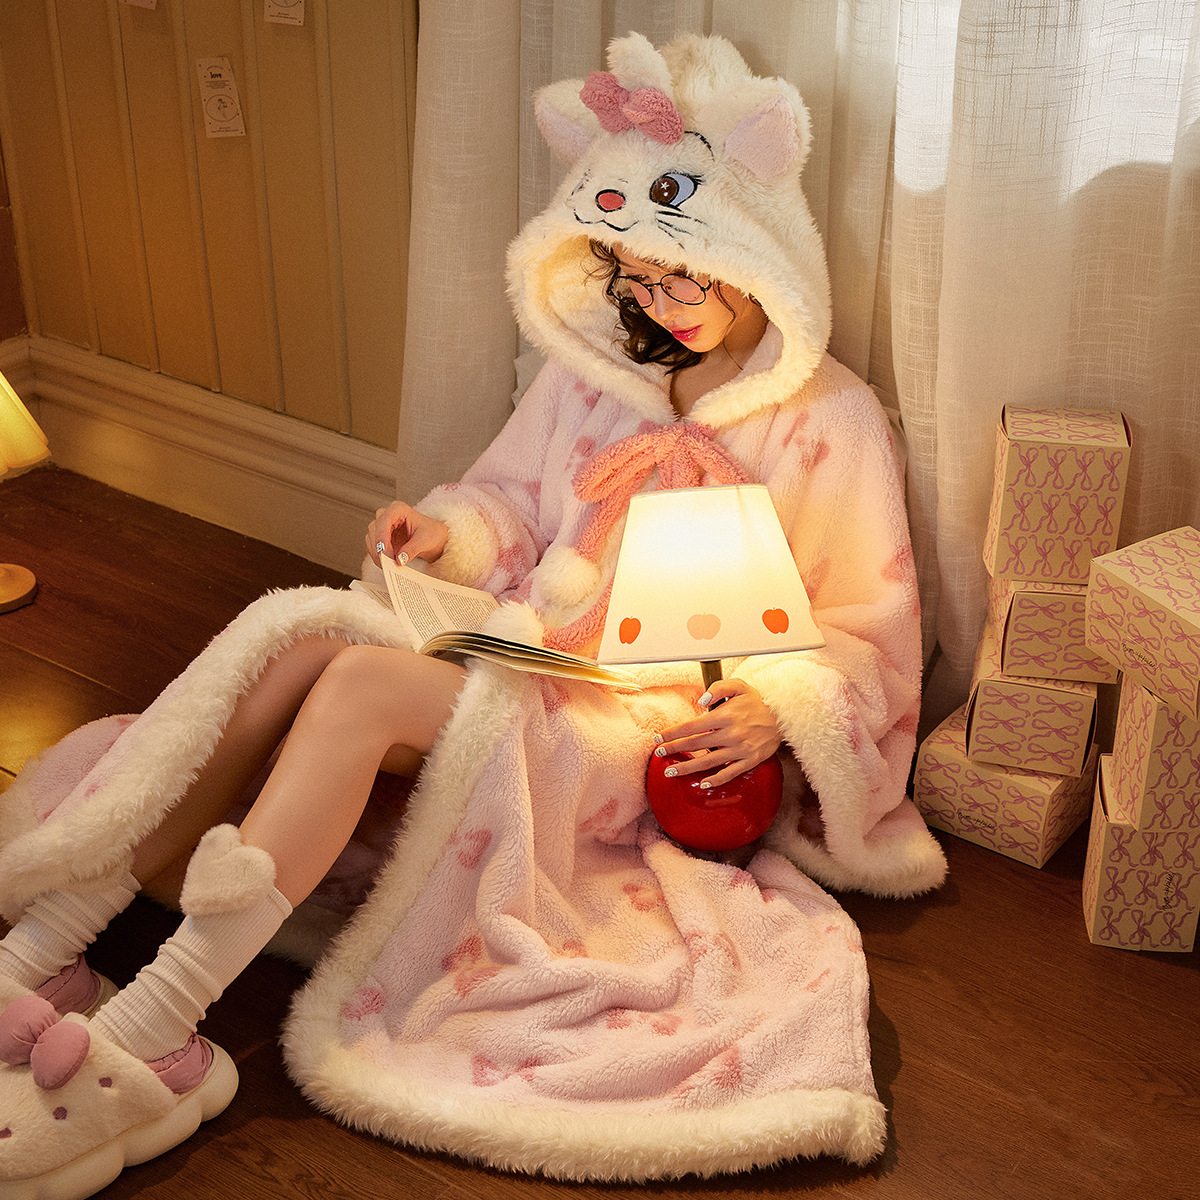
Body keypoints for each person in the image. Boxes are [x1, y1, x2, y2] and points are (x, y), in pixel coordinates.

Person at [0, 32, 946, 1196]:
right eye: (632, 275)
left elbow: (868, 630)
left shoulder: (831, 421)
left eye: (681, 277)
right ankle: (42, 956)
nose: (655, 303)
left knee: (356, 680)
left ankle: (158, 1023)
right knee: (299, 636)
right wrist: (442, 535)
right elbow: (510, 502)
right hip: (517, 649)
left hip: (640, 722)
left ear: (753, 253)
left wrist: (776, 708)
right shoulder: (595, 372)